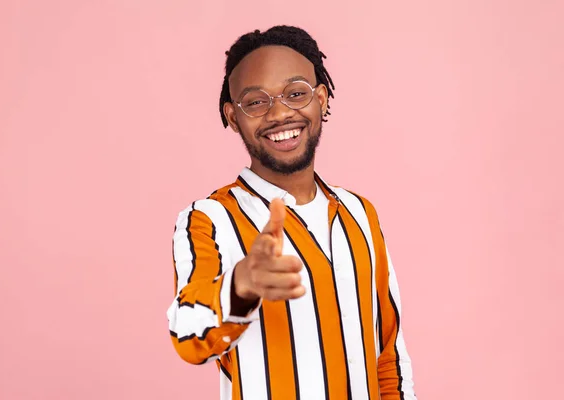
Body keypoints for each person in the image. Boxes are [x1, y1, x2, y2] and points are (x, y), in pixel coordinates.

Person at [167, 25, 417, 400]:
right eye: (255, 101)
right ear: (233, 117)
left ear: (322, 99)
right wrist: (241, 286)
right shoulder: (208, 218)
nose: (280, 113)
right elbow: (187, 335)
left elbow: (387, 353)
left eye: (296, 94)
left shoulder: (360, 213)